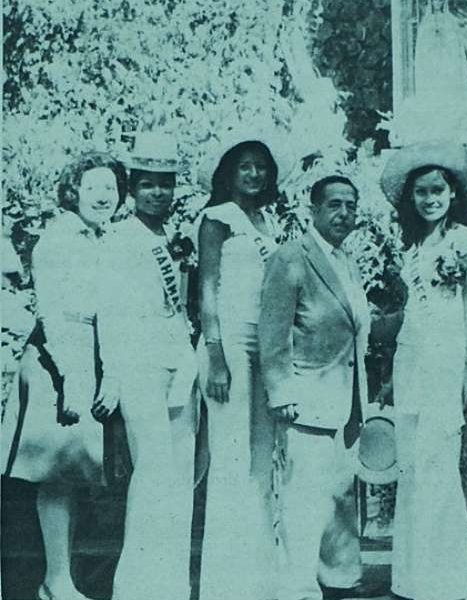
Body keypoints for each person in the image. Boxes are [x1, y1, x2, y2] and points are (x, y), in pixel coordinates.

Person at [1, 152, 126, 600]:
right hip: (60, 361)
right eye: (93, 186)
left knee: (72, 476)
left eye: (110, 188)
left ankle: (60, 579)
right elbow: (52, 312)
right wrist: (74, 378)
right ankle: (55, 580)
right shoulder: (58, 239)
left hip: (91, 356)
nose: (102, 196)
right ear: (73, 191)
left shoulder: (106, 240)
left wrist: (110, 374)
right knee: (56, 475)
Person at [259, 175, 380, 600]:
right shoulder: (291, 257)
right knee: (304, 496)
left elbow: (354, 329)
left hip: (346, 396)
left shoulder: (348, 260)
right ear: (313, 209)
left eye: (351, 205)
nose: (344, 214)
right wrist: (281, 392)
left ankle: (342, 577)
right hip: (306, 394)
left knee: (340, 490)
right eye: (334, 205)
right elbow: (273, 333)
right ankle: (299, 585)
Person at [379, 141, 467, 600]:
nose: (430, 200)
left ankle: (448, 579)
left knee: (439, 459)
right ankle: (413, 577)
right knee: (413, 463)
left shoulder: (466, 240)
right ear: (411, 198)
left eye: (437, 190)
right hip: (411, 358)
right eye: (421, 192)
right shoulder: (412, 244)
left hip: (447, 356)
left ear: (452, 193)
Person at [96, 132, 198, 600]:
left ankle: (170, 585)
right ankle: (138, 587)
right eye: (148, 184)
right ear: (132, 189)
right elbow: (110, 311)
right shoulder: (119, 237)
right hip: (139, 366)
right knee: (153, 473)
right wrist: (112, 374)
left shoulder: (175, 238)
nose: (158, 192)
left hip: (179, 362)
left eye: (166, 184)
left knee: (181, 475)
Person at [196, 132, 289, 600]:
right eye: (245, 166)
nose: (254, 174)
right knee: (231, 456)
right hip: (227, 342)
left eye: (261, 167)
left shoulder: (266, 221)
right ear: (229, 172)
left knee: (260, 457)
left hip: (264, 344)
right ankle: (226, 582)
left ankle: (259, 576)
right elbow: (207, 290)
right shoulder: (217, 219)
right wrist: (215, 356)